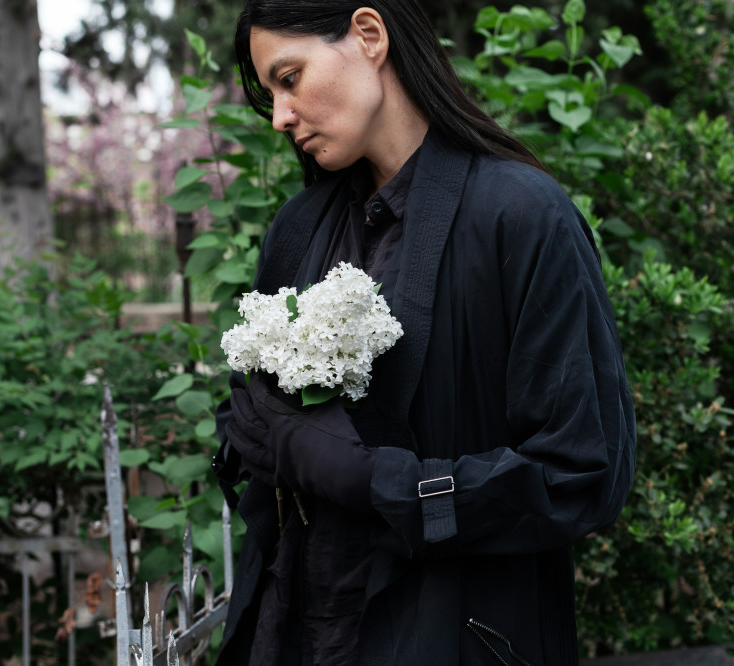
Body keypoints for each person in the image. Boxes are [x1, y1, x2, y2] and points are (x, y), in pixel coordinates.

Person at [211, 1, 637, 664]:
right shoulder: (298, 229)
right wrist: (258, 431)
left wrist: (378, 481)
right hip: (298, 633)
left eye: (289, 79)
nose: (280, 117)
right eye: (271, 95)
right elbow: (252, 427)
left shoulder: (522, 216)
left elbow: (581, 472)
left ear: (369, 35)